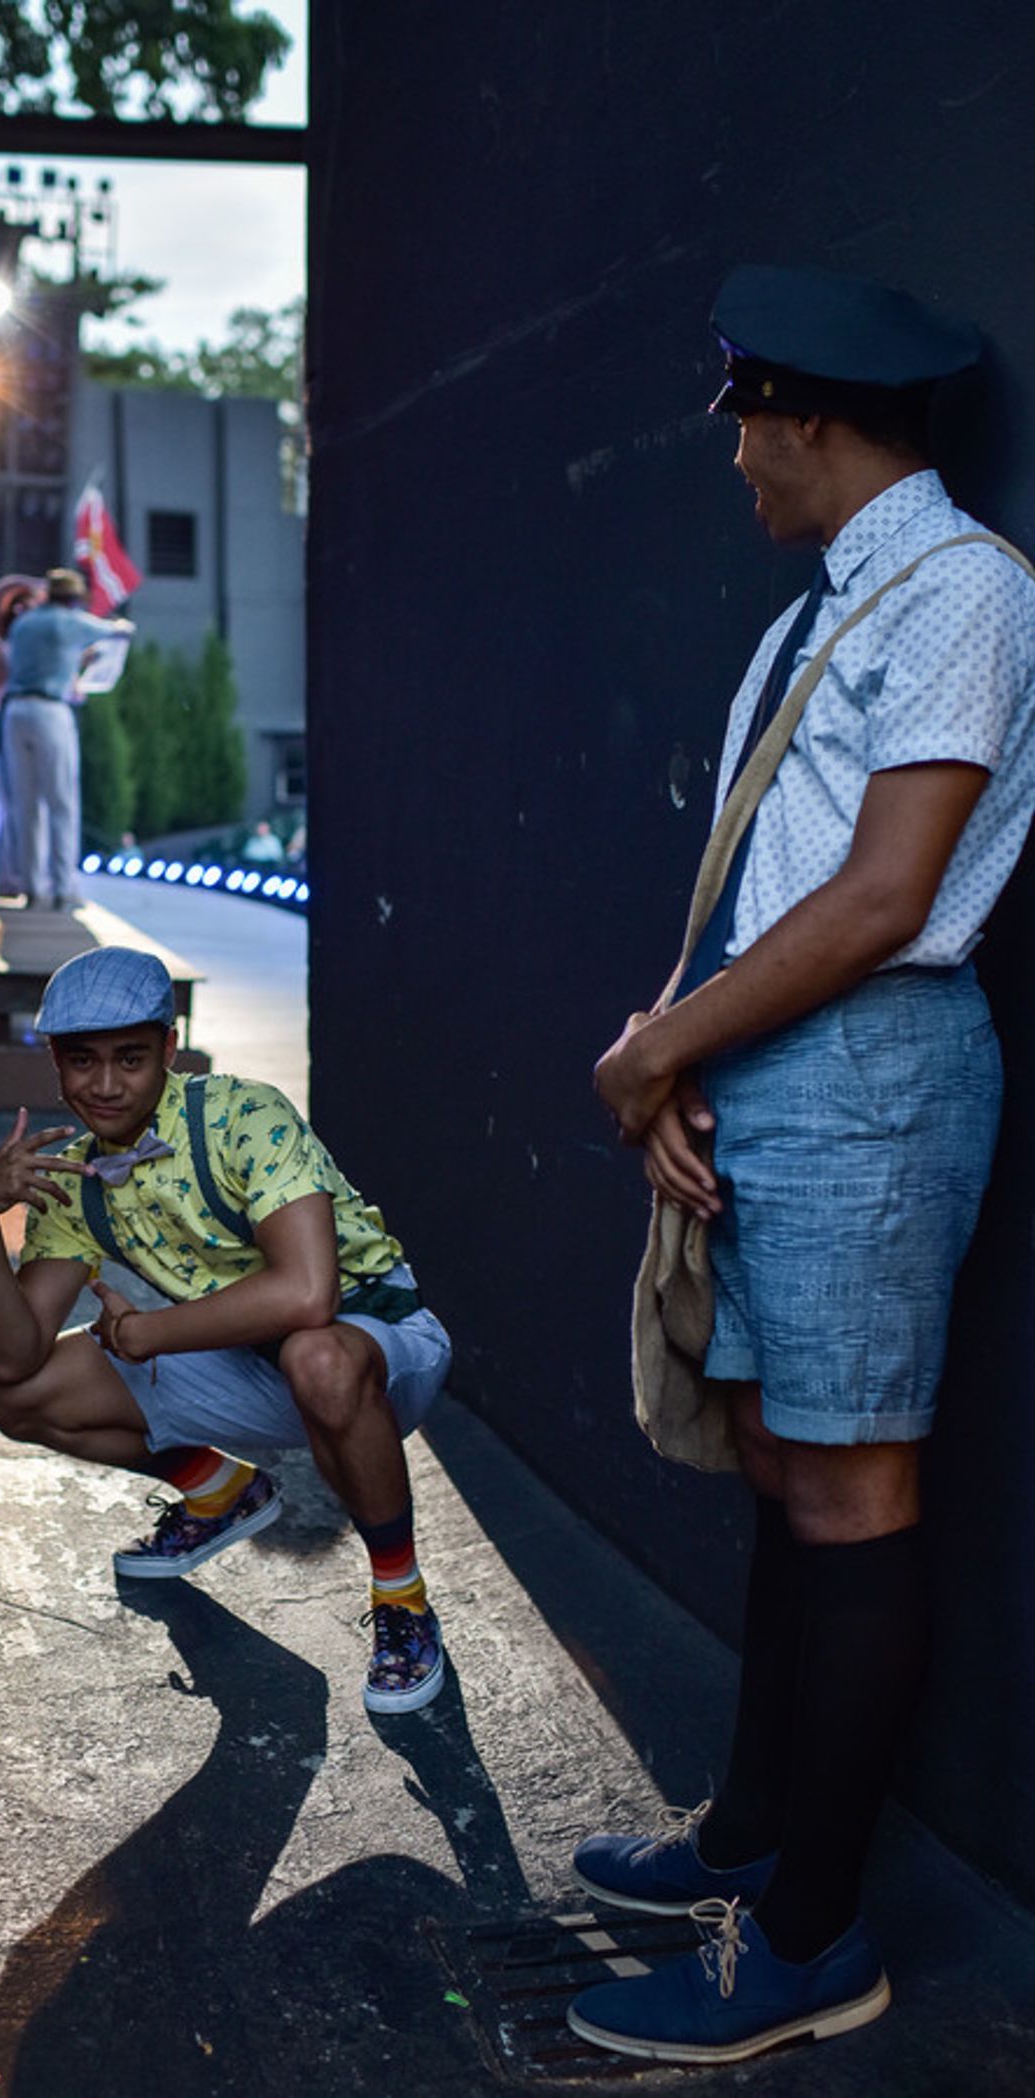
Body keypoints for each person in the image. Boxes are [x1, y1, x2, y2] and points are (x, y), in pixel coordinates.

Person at [570, 264, 1035, 2064]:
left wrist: (663, 1050)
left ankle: (814, 1935)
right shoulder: (823, 609)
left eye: (747, 426)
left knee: (854, 1491)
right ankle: (747, 1840)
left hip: (873, 1078)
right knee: (784, 1461)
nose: (738, 464)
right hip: (774, 1069)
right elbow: (769, 890)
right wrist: (674, 1048)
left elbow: (880, 900)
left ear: (813, 414)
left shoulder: (966, 592)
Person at [0, 945, 453, 1712]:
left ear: (168, 1046)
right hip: (246, 1363)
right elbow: (14, 1356)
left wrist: (154, 1334)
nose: (105, 1084)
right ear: (54, 1063)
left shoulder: (240, 1115)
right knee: (17, 1398)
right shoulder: (76, 1178)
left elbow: (306, 1295)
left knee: (317, 1357)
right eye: (81, 1061)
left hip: (378, 1348)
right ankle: (218, 1489)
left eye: (129, 1058)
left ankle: (403, 1599)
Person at [1, 568, 113, 910]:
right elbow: (115, 632)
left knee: (26, 805)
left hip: (15, 711)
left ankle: (33, 888)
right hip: (50, 711)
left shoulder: (24, 624)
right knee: (62, 803)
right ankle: (63, 888)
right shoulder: (70, 621)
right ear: (74, 599)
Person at [0, 574, 43, 900]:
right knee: (7, 800)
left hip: (35, 724)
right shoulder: (0, 647)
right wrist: (8, 674)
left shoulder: (41, 647)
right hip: (5, 721)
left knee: (35, 803)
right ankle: (7, 875)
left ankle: (33, 875)